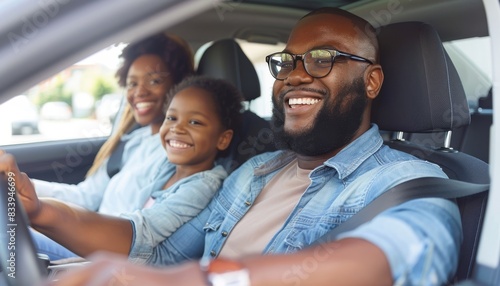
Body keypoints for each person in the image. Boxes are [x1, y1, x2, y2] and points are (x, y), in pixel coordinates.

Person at [1, 7, 461, 286]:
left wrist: (199, 279)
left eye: (322, 58)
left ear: (373, 80)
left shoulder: (406, 181)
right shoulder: (256, 170)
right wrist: (40, 211)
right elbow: (155, 248)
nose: (295, 74)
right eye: (287, 62)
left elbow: (400, 255)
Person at [29, 33, 195, 260]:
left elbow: (144, 233)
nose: (139, 92)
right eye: (132, 83)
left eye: (154, 80)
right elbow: (86, 196)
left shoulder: (178, 152)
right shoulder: (133, 140)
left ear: (178, 86)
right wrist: (21, 183)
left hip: (105, 254)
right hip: (85, 236)